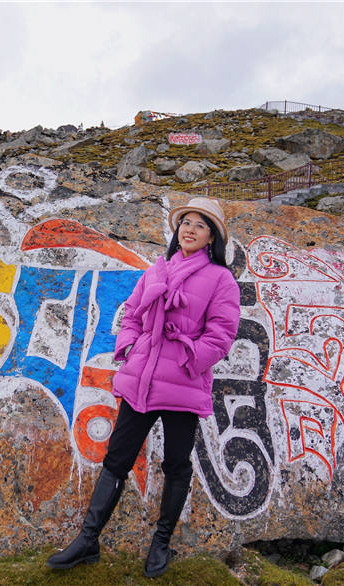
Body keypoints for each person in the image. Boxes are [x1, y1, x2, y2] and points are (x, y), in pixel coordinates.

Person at [46, 197, 241, 577]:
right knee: (117, 460)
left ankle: (161, 541)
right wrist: (130, 347)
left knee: (176, 464)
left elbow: (222, 335)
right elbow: (132, 314)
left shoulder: (221, 279)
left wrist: (189, 359)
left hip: (183, 385)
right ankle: (88, 541)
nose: (189, 229)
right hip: (143, 380)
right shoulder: (158, 269)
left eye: (200, 225)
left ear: (211, 237)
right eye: (186, 221)